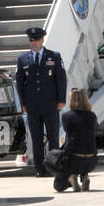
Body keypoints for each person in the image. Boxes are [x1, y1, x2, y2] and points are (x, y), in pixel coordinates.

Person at [15, 27, 66, 176]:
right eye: (32, 40)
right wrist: (23, 103)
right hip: (33, 106)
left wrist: (61, 99)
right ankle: (40, 169)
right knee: (36, 138)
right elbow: (20, 83)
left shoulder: (54, 56)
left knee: (53, 138)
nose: (34, 43)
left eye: (37, 40)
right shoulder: (23, 59)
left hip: (51, 104)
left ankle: (54, 167)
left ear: (42, 39)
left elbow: (61, 79)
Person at [55, 88, 99, 192]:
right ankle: (85, 177)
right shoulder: (92, 116)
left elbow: (67, 130)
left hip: (74, 159)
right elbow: (95, 128)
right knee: (85, 140)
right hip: (91, 161)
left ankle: (72, 176)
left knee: (58, 185)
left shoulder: (66, 116)